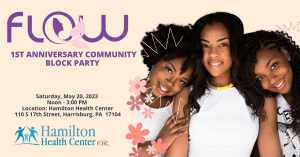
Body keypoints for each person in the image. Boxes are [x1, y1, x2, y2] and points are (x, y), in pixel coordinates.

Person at [166, 12, 281, 157]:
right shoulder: (186, 94)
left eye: (223, 44)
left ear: (235, 46)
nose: (213, 53)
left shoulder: (261, 95)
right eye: (205, 45)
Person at [137, 24, 199, 157]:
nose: (171, 82)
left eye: (182, 81)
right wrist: (159, 144)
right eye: (169, 69)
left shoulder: (177, 106)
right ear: (155, 58)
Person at [238, 30, 300, 157]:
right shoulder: (267, 101)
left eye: (273, 66)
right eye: (260, 77)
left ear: (284, 52)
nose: (272, 79)